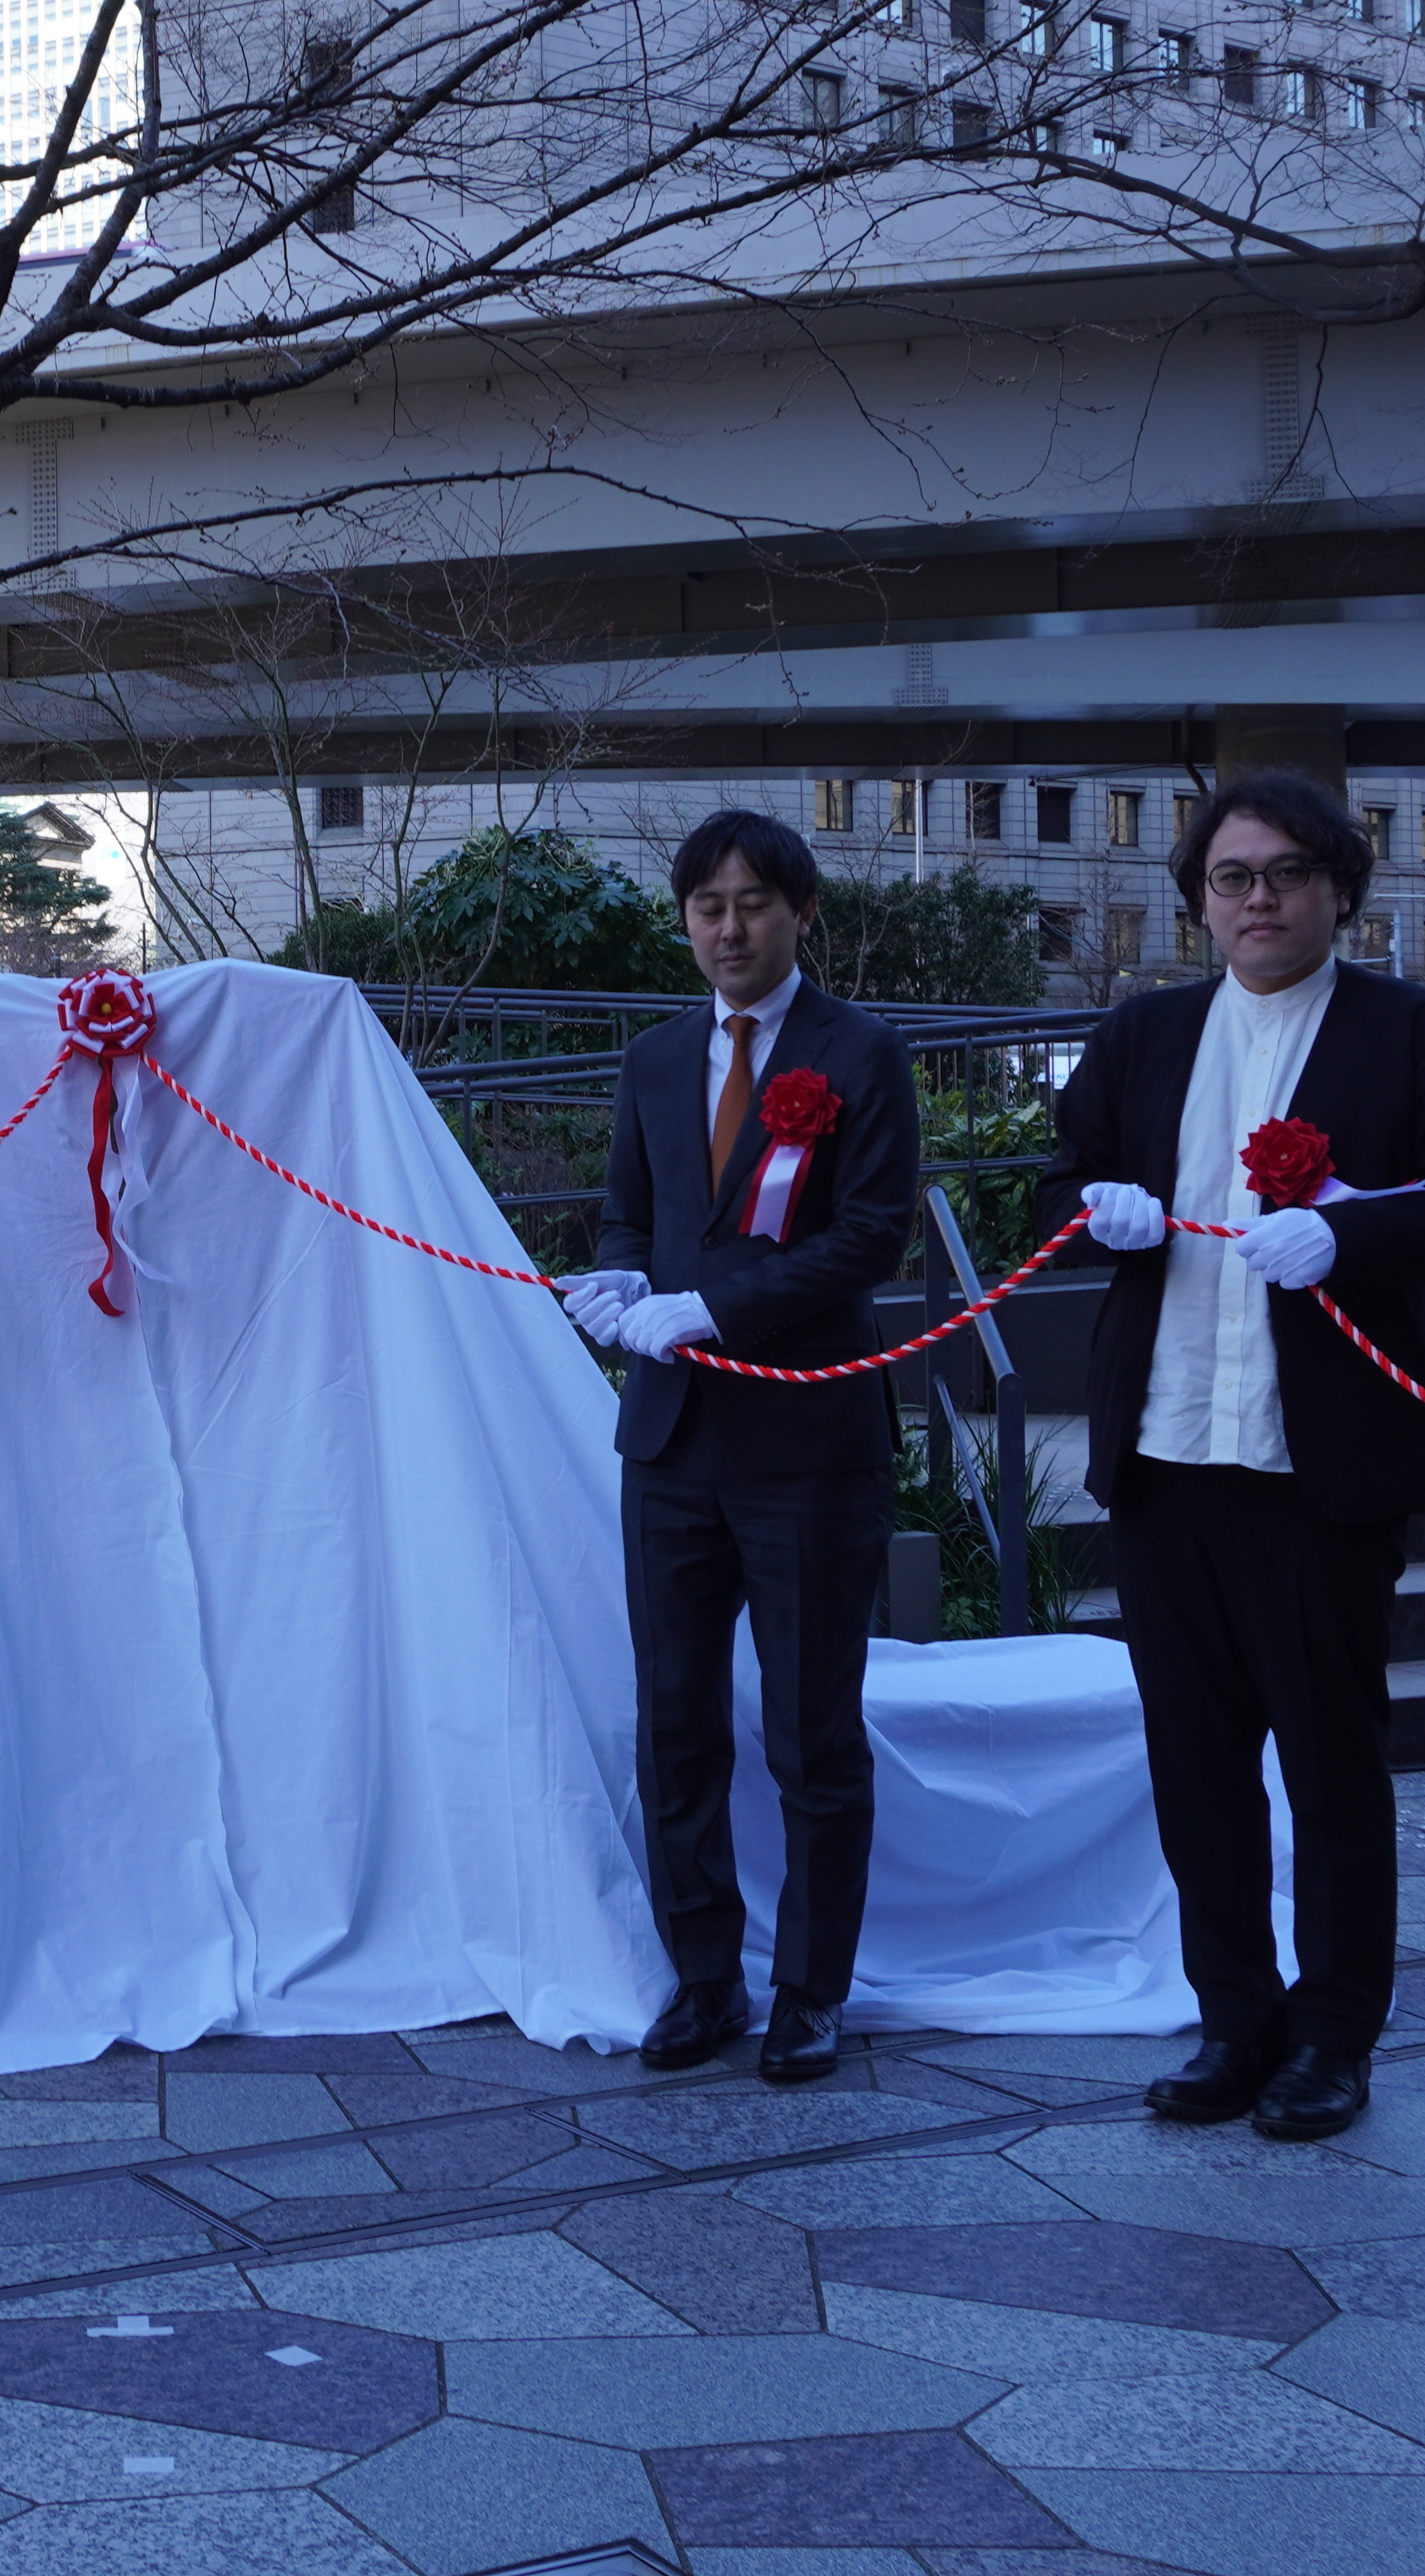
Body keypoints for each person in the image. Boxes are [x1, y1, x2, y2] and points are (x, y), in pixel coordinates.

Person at [1031, 773, 1425, 2142]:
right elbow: (1056, 1184)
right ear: (1197, 898)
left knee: (1330, 1759)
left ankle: (1335, 2032)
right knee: (1194, 1764)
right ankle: (1234, 2017)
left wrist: (1356, 1232)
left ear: (1341, 891)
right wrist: (1098, 1210)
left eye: (1288, 874)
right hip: (1168, 1452)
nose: (1260, 899)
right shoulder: (1142, 1035)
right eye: (1234, 877)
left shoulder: (1408, 1032)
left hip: (1324, 1466)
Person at [552, 809, 922, 2085]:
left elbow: (870, 1237)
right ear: (685, 919)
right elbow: (627, 1213)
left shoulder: (860, 1054)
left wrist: (714, 1306)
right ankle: (703, 1979)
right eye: (707, 906)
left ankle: (811, 1991)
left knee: (812, 1731)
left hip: (808, 1438)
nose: (729, 927)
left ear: (799, 911)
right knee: (675, 1723)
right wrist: (613, 1287)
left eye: (754, 902)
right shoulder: (657, 1057)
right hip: (669, 1442)